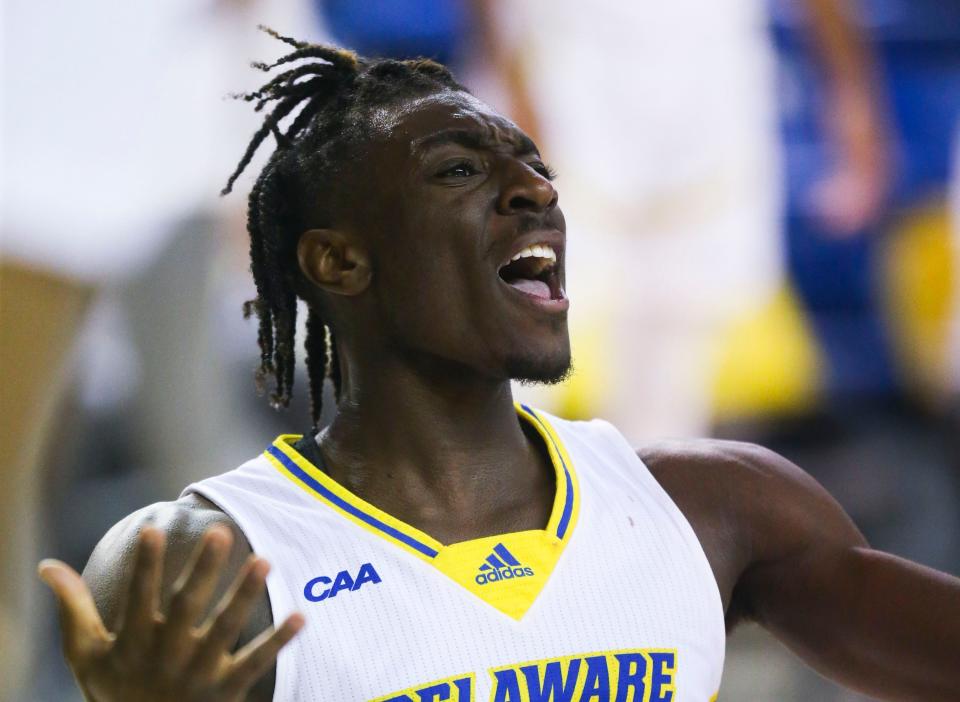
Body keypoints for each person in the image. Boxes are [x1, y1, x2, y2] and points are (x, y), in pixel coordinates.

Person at [38, 33, 960, 701]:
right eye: (458, 172)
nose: (537, 192)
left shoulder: (716, 506)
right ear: (339, 262)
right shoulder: (215, 560)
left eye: (532, 167)